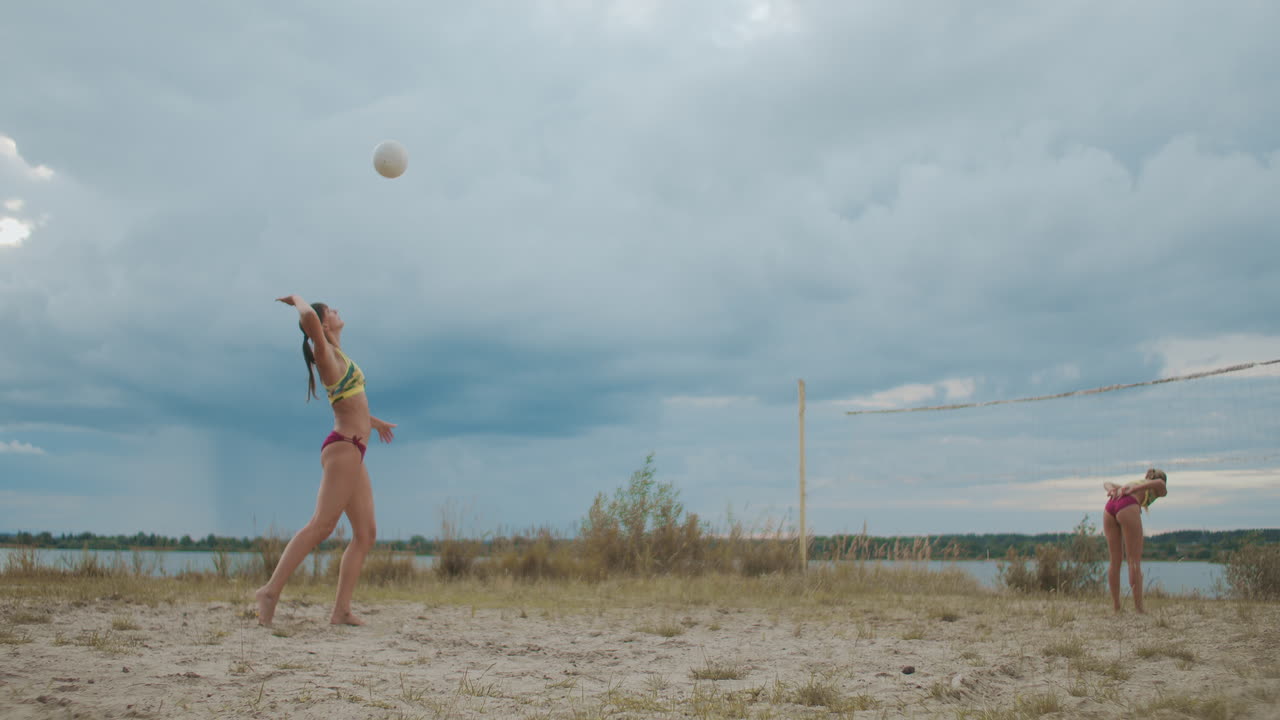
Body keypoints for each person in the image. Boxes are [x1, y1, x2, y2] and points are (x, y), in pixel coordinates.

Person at [255, 296, 396, 626]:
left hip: (354, 449)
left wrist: (374, 422)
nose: (336, 310)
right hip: (343, 448)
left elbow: (349, 402)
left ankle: (341, 610)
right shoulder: (324, 353)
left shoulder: (339, 356)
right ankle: (270, 591)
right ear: (323, 324)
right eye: (330, 310)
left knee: (365, 533)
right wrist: (298, 300)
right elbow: (307, 318)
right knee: (322, 525)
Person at [1102, 468, 1168, 613]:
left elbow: (1106, 483)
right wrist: (1136, 488)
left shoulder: (1133, 484)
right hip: (1127, 505)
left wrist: (1112, 490)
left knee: (1115, 561)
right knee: (1134, 561)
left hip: (1110, 506)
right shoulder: (1154, 487)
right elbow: (1160, 484)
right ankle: (1139, 608)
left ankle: (1117, 607)